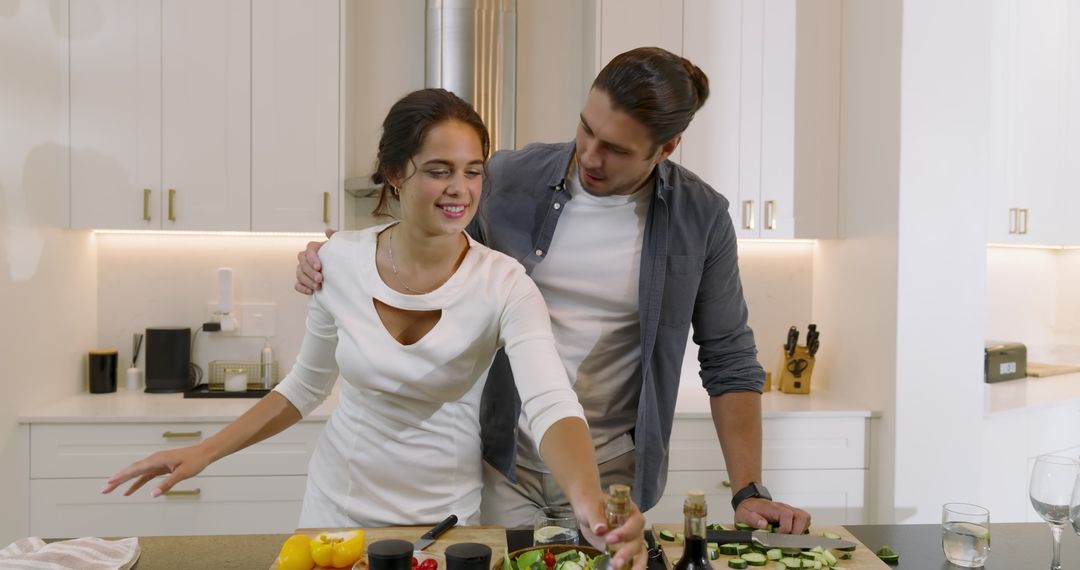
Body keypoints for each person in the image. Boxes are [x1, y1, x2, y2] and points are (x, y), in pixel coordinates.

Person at [102, 88, 646, 568]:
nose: (460, 188)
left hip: (446, 521)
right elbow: (304, 387)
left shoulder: (504, 284)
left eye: (473, 170)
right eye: (439, 170)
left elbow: (550, 401)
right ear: (394, 172)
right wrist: (202, 451)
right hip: (334, 511)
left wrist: (587, 499)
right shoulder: (338, 261)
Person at [296, 48, 812, 534]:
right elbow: (428, 255)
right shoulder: (505, 178)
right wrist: (347, 258)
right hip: (502, 458)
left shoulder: (700, 218)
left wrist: (748, 489)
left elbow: (728, 356)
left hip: (610, 468)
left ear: (666, 148)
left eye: (616, 149)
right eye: (586, 128)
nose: (590, 155)